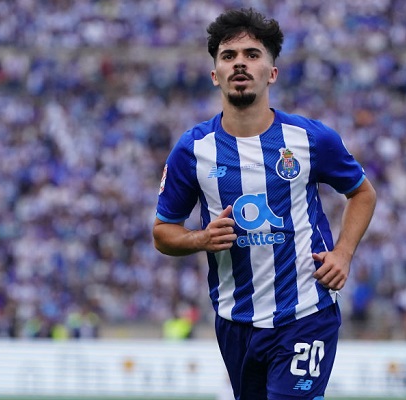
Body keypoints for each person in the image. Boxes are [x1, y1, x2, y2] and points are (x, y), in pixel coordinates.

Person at [153, 8, 376, 400]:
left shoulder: (310, 139)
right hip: (235, 319)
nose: (240, 63)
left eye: (252, 54)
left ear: (271, 73)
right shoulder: (192, 150)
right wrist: (200, 239)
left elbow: (362, 192)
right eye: (228, 56)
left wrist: (343, 253)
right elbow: (162, 232)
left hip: (306, 312)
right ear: (216, 75)